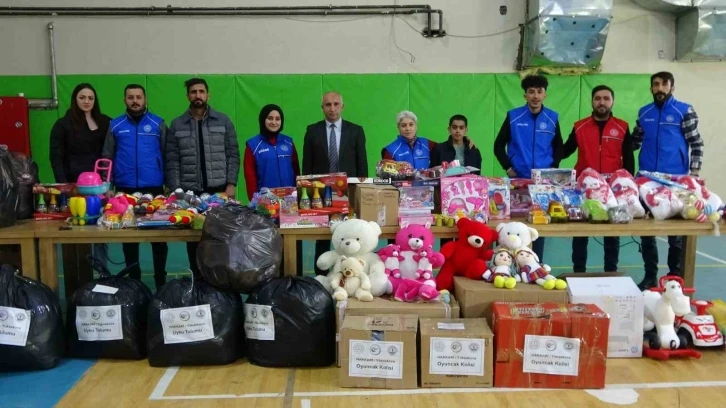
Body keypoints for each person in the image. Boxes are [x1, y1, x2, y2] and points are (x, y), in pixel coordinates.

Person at [632, 71, 704, 290]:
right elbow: (634, 142)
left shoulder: (684, 111)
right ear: (651, 88)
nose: (660, 88)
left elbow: (697, 143)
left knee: (676, 234)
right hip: (646, 181)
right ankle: (650, 275)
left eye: (664, 84)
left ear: (672, 87)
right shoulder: (644, 113)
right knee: (646, 231)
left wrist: (693, 174)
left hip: (676, 181)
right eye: (656, 84)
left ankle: (674, 277)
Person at [166, 77, 240, 277]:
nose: (197, 95)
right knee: (193, 241)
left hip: (219, 190)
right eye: (193, 92)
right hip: (190, 193)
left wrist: (231, 183)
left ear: (208, 94)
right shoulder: (177, 124)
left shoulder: (223, 121)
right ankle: (197, 280)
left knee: (220, 239)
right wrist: (177, 190)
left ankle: (219, 281)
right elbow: (172, 160)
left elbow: (233, 154)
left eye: (201, 91)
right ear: (188, 95)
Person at [102, 84, 168, 290]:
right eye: (130, 97)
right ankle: (134, 281)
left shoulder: (158, 124)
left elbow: (168, 155)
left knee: (158, 238)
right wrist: (107, 185)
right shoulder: (115, 125)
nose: (135, 101)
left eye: (138, 97)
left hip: (154, 189)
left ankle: (160, 281)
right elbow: (107, 156)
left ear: (145, 99)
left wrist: (169, 185)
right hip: (124, 189)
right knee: (129, 238)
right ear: (124, 100)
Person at [563, 85, 634, 273]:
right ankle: (578, 272)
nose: (601, 102)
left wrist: (628, 190)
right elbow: (563, 151)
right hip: (584, 190)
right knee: (580, 234)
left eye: (606, 98)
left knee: (612, 234)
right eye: (597, 98)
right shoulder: (580, 127)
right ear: (592, 101)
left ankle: (611, 272)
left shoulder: (623, 127)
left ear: (612, 101)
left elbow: (629, 161)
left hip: (612, 191)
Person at [494, 74, 564, 263]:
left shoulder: (552, 118)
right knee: (515, 224)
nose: (535, 96)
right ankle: (508, 261)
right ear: (525, 95)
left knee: (538, 226)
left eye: (539, 92)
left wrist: (552, 171)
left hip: (542, 184)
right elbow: (498, 145)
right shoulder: (513, 116)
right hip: (517, 181)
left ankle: (534, 263)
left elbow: (559, 147)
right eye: (531, 92)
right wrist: (508, 167)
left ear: (545, 95)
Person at [302, 91, 368, 276]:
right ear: (322, 107)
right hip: (320, 192)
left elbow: (362, 165)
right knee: (322, 235)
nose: (332, 108)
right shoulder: (312, 130)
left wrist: (359, 191)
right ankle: (320, 276)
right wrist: (305, 185)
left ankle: (351, 272)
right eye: (328, 105)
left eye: (336, 104)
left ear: (342, 106)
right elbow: (307, 164)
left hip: (347, 191)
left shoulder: (356, 130)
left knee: (350, 233)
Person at [49, 83, 111, 269]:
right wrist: (65, 186)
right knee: (77, 229)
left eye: (90, 98)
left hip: (99, 186)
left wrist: (109, 184)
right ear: (75, 99)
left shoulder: (105, 122)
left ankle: (101, 270)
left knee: (101, 229)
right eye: (82, 97)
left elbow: (110, 153)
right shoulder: (62, 125)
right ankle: (78, 274)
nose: (86, 101)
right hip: (75, 187)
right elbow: (56, 157)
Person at [243, 104, 300, 200]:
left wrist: (298, 194)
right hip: (265, 202)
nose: (274, 122)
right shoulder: (253, 145)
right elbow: (250, 178)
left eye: (277, 119)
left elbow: (296, 172)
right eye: (270, 118)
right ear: (263, 119)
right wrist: (255, 202)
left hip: (290, 200)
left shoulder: (288, 142)